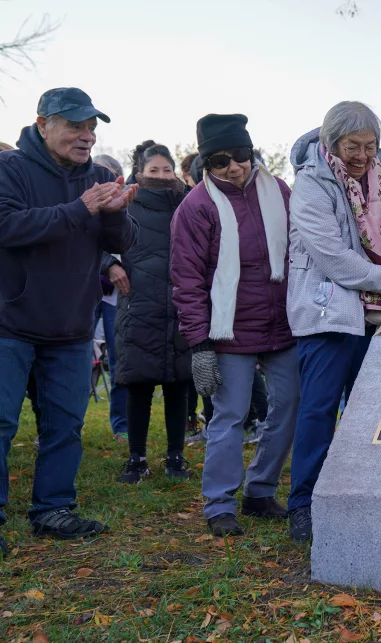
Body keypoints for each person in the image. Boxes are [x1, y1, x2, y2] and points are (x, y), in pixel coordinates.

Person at [0, 88, 138, 554]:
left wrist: (115, 215)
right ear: (43, 124)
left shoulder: (100, 177)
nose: (87, 136)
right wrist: (80, 209)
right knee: (1, 424)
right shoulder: (9, 169)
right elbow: (7, 227)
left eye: (91, 128)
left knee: (64, 424)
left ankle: (53, 509)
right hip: (10, 323)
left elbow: (123, 241)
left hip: (72, 327)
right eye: (76, 126)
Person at [286, 102, 381, 542]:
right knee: (319, 410)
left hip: (371, 315)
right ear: (331, 143)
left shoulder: (378, 178)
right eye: (352, 146)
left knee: (367, 410)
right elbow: (332, 256)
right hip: (326, 313)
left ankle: (357, 495)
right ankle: (303, 504)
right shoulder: (310, 184)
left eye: (370, 146)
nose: (362, 156)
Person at [170, 114, 299, 537]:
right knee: (230, 416)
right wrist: (200, 344)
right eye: (220, 160)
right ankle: (219, 503)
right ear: (206, 164)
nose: (234, 166)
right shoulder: (196, 207)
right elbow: (186, 280)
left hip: (282, 322)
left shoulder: (278, 190)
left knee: (290, 405)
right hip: (228, 330)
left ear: (251, 152)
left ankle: (260, 489)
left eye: (241, 154)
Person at [114, 141, 193, 483]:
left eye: (166, 169)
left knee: (179, 385)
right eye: (153, 170)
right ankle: (137, 458)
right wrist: (108, 266)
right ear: (139, 172)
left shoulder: (188, 203)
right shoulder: (125, 203)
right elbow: (97, 240)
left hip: (181, 304)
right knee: (139, 385)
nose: (161, 176)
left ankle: (176, 456)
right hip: (139, 303)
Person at [92, 154, 131, 441]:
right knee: (72, 360)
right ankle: (60, 427)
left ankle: (122, 425)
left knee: (119, 360)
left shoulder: (127, 204)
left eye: (107, 174)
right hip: (84, 289)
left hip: (116, 297)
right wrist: (108, 264)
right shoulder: (82, 202)